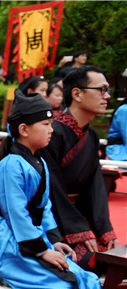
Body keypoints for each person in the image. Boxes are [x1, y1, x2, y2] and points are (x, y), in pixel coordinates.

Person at [0, 91, 100, 289]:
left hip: (34, 236)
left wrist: (53, 241)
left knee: (79, 275)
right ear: (24, 130)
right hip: (11, 240)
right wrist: (42, 251)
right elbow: (16, 214)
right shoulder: (11, 166)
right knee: (63, 284)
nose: (51, 130)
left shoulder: (39, 161)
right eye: (45, 124)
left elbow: (44, 207)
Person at [39, 66, 119, 268]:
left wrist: (103, 228)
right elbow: (51, 188)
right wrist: (77, 230)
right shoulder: (51, 132)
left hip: (75, 214)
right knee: (89, 261)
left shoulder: (91, 136)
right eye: (101, 90)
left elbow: (94, 185)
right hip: (50, 217)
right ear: (77, 94)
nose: (107, 96)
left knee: (110, 253)